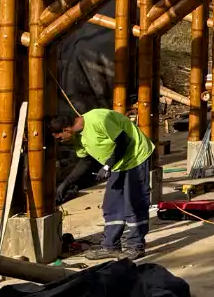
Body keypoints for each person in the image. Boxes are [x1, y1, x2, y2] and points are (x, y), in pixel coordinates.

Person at [59, 106, 155, 261]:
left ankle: (135, 246)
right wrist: (66, 183)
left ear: (66, 130)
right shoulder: (77, 137)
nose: (61, 141)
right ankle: (110, 246)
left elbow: (123, 141)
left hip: (136, 156)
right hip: (118, 163)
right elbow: (87, 161)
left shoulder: (98, 119)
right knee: (112, 205)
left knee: (134, 202)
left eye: (60, 137)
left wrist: (107, 166)